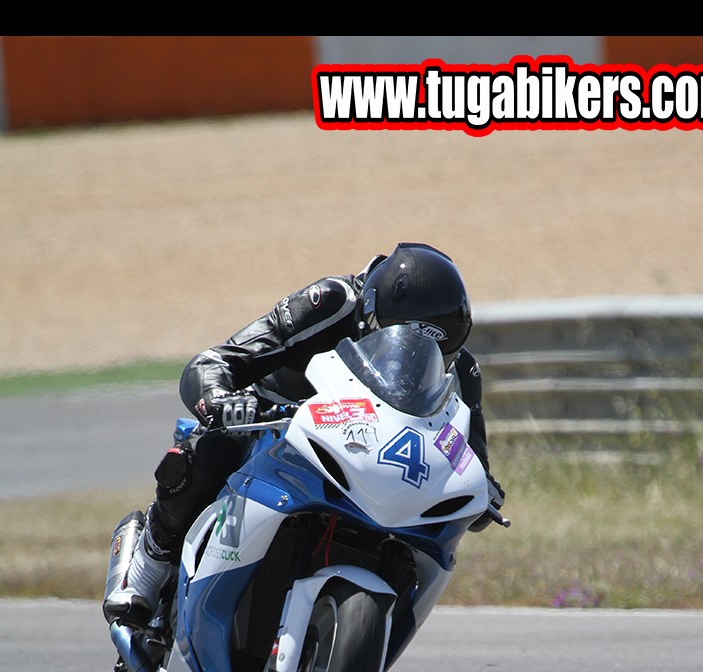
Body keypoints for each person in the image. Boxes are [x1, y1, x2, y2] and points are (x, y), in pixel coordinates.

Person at [104, 242, 506, 628]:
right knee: (213, 450)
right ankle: (148, 565)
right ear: (370, 315)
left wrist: (481, 489)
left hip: (365, 459)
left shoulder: (462, 373)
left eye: (432, 344)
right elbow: (217, 360)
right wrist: (219, 397)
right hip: (274, 428)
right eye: (404, 336)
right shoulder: (332, 302)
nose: (413, 353)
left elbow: (473, 459)